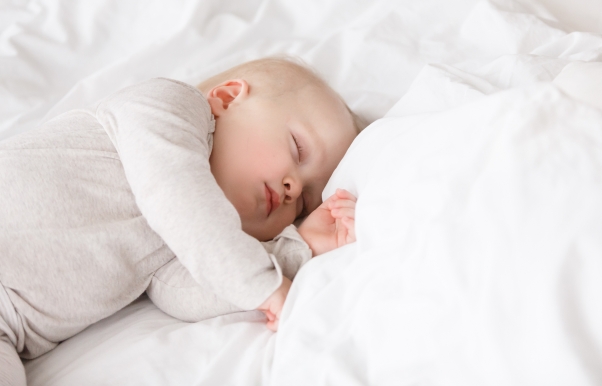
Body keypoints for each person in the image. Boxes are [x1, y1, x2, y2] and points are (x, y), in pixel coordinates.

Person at [0, 57, 360, 385]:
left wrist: (299, 248)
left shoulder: (186, 240)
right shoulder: (167, 106)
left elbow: (186, 293)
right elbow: (174, 191)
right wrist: (260, 283)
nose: (293, 188)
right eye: (297, 148)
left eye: (302, 206)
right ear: (227, 98)